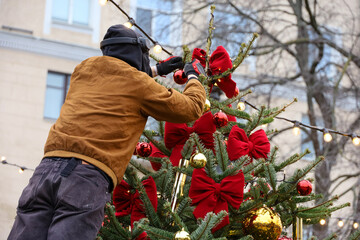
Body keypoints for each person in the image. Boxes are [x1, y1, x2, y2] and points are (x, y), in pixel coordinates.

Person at [8, 24, 206, 240]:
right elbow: (191, 108)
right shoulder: (139, 84)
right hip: (86, 178)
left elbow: (115, 79)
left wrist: (156, 70)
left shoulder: (83, 69)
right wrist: (194, 76)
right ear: (138, 53)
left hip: (44, 173)